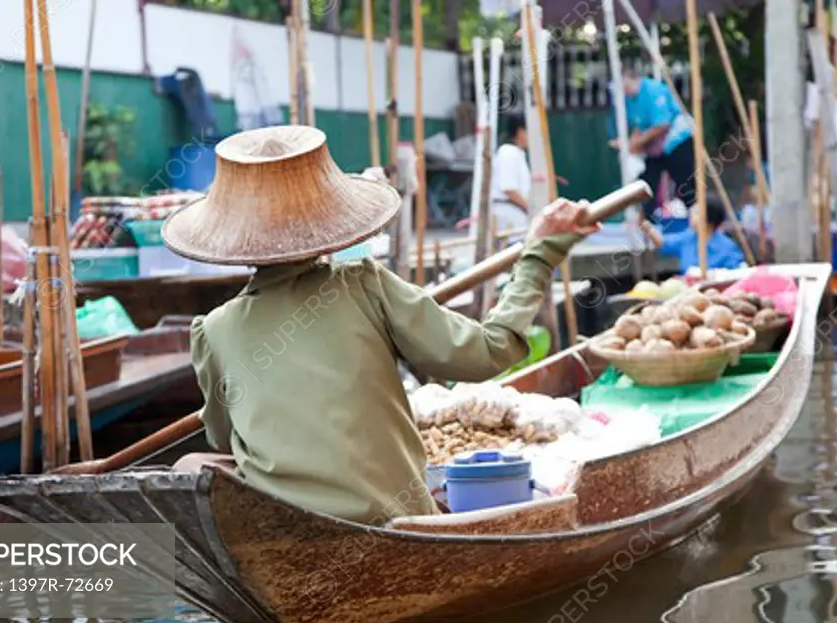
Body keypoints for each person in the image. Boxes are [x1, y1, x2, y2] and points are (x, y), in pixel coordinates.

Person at [163, 126, 601, 526]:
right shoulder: (364, 285)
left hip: (285, 524)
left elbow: (222, 437)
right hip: (392, 519)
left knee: (190, 466)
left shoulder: (214, 330)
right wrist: (538, 255)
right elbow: (488, 352)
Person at [611, 66, 695, 219]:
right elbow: (638, 125)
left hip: (676, 140)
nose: (624, 90)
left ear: (635, 79)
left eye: (626, 86)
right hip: (654, 145)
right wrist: (631, 142)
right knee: (647, 183)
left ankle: (697, 218)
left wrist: (635, 143)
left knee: (685, 182)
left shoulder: (653, 90)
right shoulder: (628, 99)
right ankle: (647, 221)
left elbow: (662, 124)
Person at [639, 195, 745, 272]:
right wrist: (648, 228)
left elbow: (737, 272)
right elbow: (662, 242)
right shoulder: (688, 238)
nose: (691, 214)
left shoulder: (727, 247)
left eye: (696, 212)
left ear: (708, 219)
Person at [491, 112, 532, 235]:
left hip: (516, 215)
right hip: (508, 216)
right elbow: (509, 188)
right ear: (520, 132)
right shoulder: (508, 153)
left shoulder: (518, 153)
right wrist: (530, 209)